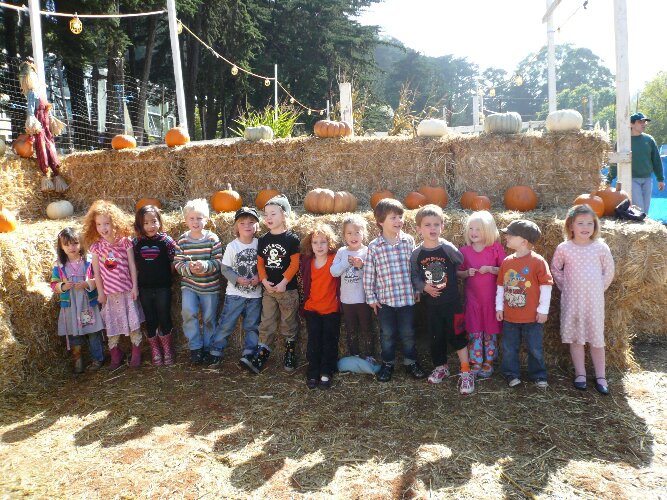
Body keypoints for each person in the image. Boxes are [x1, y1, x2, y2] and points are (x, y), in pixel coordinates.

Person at [551, 205, 615, 395]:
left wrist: (598, 288)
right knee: (576, 337)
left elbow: (609, 271)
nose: (585, 227)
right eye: (580, 223)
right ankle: (580, 374)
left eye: (589, 223)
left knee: (596, 339)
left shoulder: (600, 248)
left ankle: (601, 376)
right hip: (572, 300)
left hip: (594, 301)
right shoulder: (564, 248)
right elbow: (555, 269)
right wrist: (566, 286)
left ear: (595, 226)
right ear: (571, 226)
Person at [411, 205, 474, 395]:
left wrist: (461, 272)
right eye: (427, 225)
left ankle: (466, 371)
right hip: (431, 305)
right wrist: (423, 287)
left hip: (452, 303)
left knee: (457, 335)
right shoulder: (417, 254)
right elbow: (414, 275)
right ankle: (441, 367)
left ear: (442, 227)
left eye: (436, 224)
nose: (432, 228)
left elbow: (459, 261)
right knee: (435, 336)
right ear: (418, 229)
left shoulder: (447, 248)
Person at [363, 198, 426, 382]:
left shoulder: (408, 241)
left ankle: (410, 362)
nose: (399, 221)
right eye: (393, 217)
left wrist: (417, 289)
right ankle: (388, 363)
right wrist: (371, 298)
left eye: (400, 216)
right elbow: (369, 274)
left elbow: (415, 269)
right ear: (381, 222)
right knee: (387, 334)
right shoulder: (374, 246)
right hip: (385, 301)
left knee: (408, 333)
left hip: (407, 299)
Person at [83, 200, 144, 370]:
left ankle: (136, 351)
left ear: (114, 223)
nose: (103, 228)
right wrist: (101, 293)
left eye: (106, 224)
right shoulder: (96, 247)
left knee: (133, 323)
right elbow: (97, 272)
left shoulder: (125, 242)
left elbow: (132, 265)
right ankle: (115, 353)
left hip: (126, 291)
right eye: (99, 224)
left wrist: (135, 287)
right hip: (110, 294)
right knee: (112, 324)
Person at [246, 195, 301, 373]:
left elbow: (295, 264)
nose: (268, 217)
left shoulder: (292, 239)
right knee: (266, 321)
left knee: (288, 322)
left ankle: (290, 352)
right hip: (269, 290)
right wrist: (263, 281)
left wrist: (284, 281)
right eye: (266, 214)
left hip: (287, 290)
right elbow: (260, 263)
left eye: (273, 214)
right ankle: (262, 352)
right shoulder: (263, 239)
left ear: (284, 215)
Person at [496, 219, 553, 388]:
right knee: (509, 348)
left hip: (532, 318)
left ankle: (538, 375)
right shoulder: (507, 262)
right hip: (510, 317)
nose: (506, 237)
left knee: (535, 348)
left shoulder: (538, 262)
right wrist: (499, 307)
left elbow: (546, 286)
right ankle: (511, 374)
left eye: (510, 235)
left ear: (524, 241)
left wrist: (543, 310)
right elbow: (501, 286)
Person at [212, 207, 262, 370]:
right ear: (236, 227)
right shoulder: (233, 246)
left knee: (252, 325)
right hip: (235, 295)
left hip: (255, 295)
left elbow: (265, 267)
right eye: (242, 223)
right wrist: (237, 279)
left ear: (257, 226)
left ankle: (249, 352)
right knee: (227, 323)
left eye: (251, 222)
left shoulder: (260, 245)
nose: (247, 225)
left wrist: (259, 277)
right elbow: (225, 269)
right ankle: (216, 350)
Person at [173, 199, 222, 365]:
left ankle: (208, 347)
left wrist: (205, 266)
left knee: (209, 318)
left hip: (210, 286)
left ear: (206, 219)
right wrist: (189, 268)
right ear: (186, 220)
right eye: (192, 218)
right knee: (188, 314)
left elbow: (219, 262)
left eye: (199, 218)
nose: (195, 222)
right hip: (190, 286)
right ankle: (195, 347)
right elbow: (178, 263)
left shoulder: (212, 239)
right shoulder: (183, 240)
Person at [457, 210, 506, 378]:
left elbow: (506, 270)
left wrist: (491, 269)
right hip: (473, 301)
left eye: (478, 229)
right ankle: (476, 361)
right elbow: (458, 272)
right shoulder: (464, 251)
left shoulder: (495, 249)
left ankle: (488, 362)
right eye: (471, 229)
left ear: (488, 230)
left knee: (490, 332)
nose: (474, 232)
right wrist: (466, 273)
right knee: (475, 331)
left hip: (491, 301)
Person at [51, 227, 105, 374]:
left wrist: (87, 284)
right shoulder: (59, 266)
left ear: (81, 243)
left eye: (75, 243)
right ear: (61, 247)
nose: (71, 247)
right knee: (74, 334)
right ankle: (78, 362)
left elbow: (98, 279)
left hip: (87, 303)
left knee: (93, 332)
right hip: (70, 306)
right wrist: (63, 286)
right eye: (67, 244)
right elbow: (54, 284)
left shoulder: (88, 262)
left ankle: (98, 359)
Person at [133, 204, 178, 366]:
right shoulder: (137, 242)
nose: (150, 226)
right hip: (144, 287)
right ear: (140, 225)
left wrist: (167, 274)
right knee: (150, 318)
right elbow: (134, 264)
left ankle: (167, 348)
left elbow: (174, 259)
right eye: (145, 223)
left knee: (164, 316)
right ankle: (155, 349)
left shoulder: (166, 241)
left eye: (154, 221)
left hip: (163, 287)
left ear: (159, 221)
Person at [300, 223, 341, 389]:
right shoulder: (307, 261)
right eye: (315, 242)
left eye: (323, 242)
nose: (319, 246)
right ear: (310, 245)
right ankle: (313, 371)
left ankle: (326, 372)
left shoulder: (335, 259)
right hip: (312, 308)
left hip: (331, 309)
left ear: (330, 243)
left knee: (329, 341)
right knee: (314, 341)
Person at [18, 59, 68, 192]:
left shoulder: (36, 93)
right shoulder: (35, 93)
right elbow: (32, 110)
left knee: (46, 145)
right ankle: (49, 174)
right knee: (44, 145)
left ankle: (52, 174)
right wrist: (32, 119)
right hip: (40, 124)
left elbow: (37, 109)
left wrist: (49, 118)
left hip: (43, 124)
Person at [330, 214, 374, 361]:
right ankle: (354, 355)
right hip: (347, 300)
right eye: (349, 233)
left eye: (357, 232)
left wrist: (362, 266)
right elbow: (334, 272)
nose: (353, 236)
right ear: (344, 235)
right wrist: (346, 263)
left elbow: (375, 272)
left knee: (366, 328)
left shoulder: (367, 251)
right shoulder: (342, 252)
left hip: (363, 299)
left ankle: (369, 355)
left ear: (364, 234)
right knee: (351, 329)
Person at [606, 112, 665, 213]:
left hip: (647, 179)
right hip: (631, 180)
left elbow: (656, 160)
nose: (643, 124)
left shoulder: (649, 140)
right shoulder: (622, 142)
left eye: (644, 122)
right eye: (640, 122)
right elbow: (615, 162)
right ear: (631, 124)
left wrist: (660, 179)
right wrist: (609, 179)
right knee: (639, 209)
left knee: (645, 211)